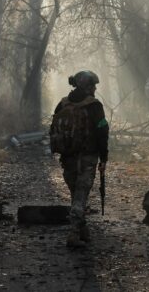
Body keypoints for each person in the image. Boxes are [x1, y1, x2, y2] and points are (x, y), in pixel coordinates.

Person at [50, 70, 109, 248]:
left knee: (77, 195)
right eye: (93, 85)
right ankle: (73, 234)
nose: (95, 88)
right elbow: (102, 132)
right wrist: (104, 157)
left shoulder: (62, 104)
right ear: (86, 86)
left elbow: (53, 130)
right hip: (87, 157)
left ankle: (83, 231)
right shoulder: (94, 106)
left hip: (67, 158)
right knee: (80, 196)